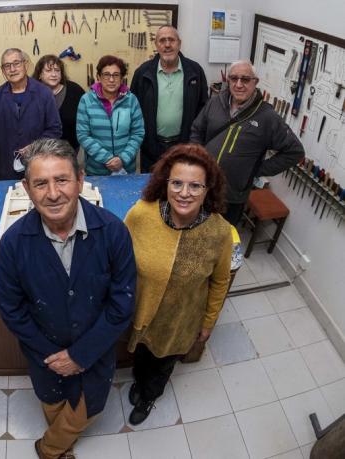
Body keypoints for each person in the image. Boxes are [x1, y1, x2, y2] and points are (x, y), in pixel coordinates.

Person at [0, 138, 136, 459]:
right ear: (27, 189)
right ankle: (63, 449)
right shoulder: (13, 244)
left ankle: (49, 450)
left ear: (81, 180)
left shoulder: (113, 232)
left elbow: (122, 303)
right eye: (41, 183)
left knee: (89, 408)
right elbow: (11, 310)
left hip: (95, 354)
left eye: (62, 180)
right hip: (44, 357)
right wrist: (53, 356)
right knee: (53, 402)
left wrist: (80, 355)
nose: (53, 193)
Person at [123, 144, 232, 426]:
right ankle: (138, 382)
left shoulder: (219, 232)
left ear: (208, 189)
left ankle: (148, 396)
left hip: (181, 321)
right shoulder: (142, 214)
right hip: (142, 312)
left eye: (195, 185)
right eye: (177, 183)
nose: (184, 193)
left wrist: (208, 323)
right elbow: (119, 257)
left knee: (162, 366)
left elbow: (220, 281)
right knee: (142, 355)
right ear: (165, 183)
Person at [190, 60, 305, 225]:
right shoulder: (216, 102)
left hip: (231, 195)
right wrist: (196, 158)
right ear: (228, 80)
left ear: (255, 82)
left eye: (245, 79)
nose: (238, 84)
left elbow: (295, 152)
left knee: (222, 240)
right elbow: (196, 130)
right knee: (193, 230)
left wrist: (256, 170)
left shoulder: (267, 117)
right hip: (201, 184)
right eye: (234, 78)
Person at [0, 48, 62, 180]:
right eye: (7, 66)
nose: (12, 69)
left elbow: (55, 130)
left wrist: (35, 147)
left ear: (25, 65)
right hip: (7, 169)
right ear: (3, 70)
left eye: (16, 63)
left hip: (39, 165)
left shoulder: (44, 94)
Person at [130, 26, 208, 172]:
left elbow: (203, 109)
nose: (167, 45)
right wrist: (143, 141)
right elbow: (133, 110)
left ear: (179, 43)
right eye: (162, 40)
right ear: (156, 45)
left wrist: (194, 142)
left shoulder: (195, 71)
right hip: (151, 149)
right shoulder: (142, 73)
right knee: (153, 188)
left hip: (184, 146)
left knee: (180, 187)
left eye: (171, 40)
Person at [76, 55, 144, 176]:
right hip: (96, 172)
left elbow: (138, 133)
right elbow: (83, 135)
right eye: (106, 75)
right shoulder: (86, 100)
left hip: (126, 170)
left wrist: (122, 159)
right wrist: (107, 158)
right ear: (98, 77)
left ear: (122, 78)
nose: (111, 80)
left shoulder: (131, 100)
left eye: (116, 75)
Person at [33, 55, 85, 152]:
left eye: (57, 70)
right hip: (40, 150)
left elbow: (86, 119)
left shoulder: (75, 90)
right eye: (48, 71)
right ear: (40, 74)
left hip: (70, 150)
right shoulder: (32, 94)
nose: (54, 74)